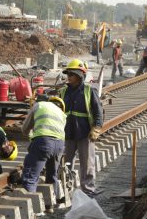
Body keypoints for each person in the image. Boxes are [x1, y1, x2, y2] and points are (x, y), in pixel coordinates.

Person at [59, 59, 104, 196]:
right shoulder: (63, 92)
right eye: (68, 74)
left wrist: (96, 128)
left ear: (80, 75)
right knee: (66, 163)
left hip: (85, 134)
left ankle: (88, 190)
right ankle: (67, 188)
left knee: (87, 164)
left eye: (71, 74)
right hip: (68, 134)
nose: (69, 77)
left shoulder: (89, 91)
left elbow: (98, 111)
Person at [21, 95, 66, 197]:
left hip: (44, 143)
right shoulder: (60, 111)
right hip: (59, 145)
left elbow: (25, 129)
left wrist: (31, 137)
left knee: (30, 177)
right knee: (52, 175)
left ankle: (32, 208)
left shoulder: (38, 106)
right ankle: (52, 204)